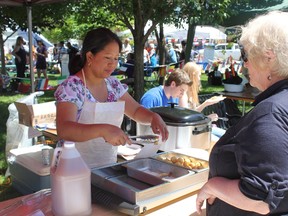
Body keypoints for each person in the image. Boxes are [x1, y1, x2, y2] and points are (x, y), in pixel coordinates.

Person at [196, 11, 288, 215]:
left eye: (246, 55)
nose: (244, 63)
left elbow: (261, 199)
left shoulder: (271, 113)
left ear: (268, 57)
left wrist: (213, 186)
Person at [55, 27, 168, 169]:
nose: (113, 64)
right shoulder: (71, 87)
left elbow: (135, 111)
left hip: (106, 167)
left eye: (116, 58)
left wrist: (153, 117)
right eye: (107, 58)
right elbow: (65, 129)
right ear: (90, 56)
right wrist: (103, 130)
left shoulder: (113, 85)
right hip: (72, 170)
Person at [179, 62, 226, 140]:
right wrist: (207, 119)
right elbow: (186, 121)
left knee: (227, 136)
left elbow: (192, 113)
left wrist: (206, 103)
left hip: (196, 130)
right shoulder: (183, 95)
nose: (199, 79)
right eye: (199, 75)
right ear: (193, 75)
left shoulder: (191, 92)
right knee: (220, 141)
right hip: (191, 134)